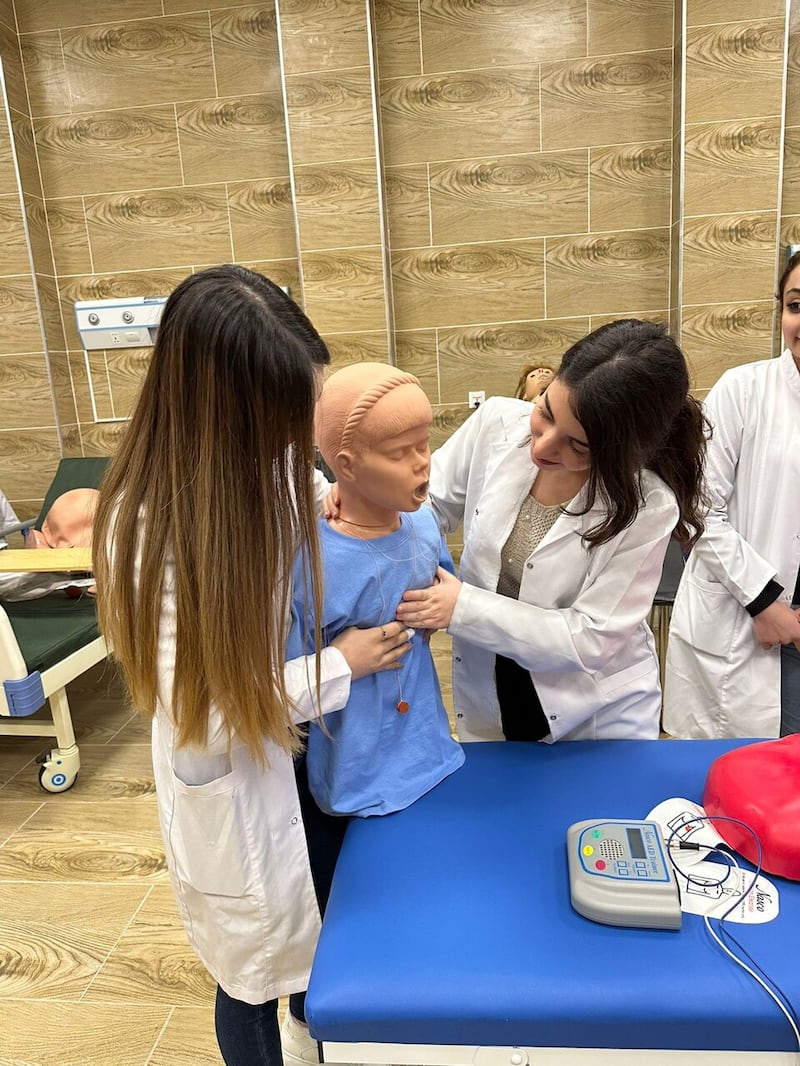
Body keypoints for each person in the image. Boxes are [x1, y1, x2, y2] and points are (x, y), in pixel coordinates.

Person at [92, 265, 412, 1066]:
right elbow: (209, 707)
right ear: (228, 413)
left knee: (322, 939)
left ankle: (323, 1042)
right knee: (251, 978)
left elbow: (291, 496)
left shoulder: (269, 465)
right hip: (235, 775)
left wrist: (327, 496)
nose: (297, 436)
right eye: (286, 416)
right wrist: (341, 664)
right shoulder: (145, 532)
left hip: (300, 753)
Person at [393, 319, 708, 742]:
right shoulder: (496, 423)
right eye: (545, 410)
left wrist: (460, 608)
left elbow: (590, 638)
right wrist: (367, 507)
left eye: (577, 446)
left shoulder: (647, 506)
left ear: (622, 450)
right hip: (492, 685)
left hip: (593, 715)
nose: (542, 446)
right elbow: (425, 507)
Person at [288, 362, 464, 820]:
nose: (422, 461)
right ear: (347, 465)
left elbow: (441, 596)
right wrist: (343, 662)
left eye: (425, 444)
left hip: (428, 744)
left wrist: (442, 609)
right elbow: (294, 666)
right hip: (354, 765)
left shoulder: (424, 525)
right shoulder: (310, 558)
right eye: (400, 452)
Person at [663, 252, 800, 739]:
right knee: (735, 780)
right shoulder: (743, 390)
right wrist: (764, 603)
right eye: (795, 305)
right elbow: (698, 508)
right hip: (748, 620)